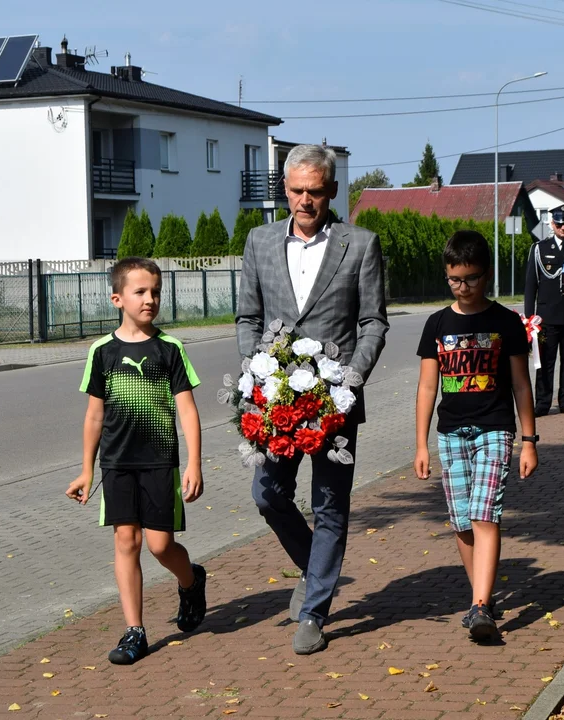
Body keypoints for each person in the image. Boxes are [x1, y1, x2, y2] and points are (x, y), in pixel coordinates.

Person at [236, 144, 388, 655]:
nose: (306, 201)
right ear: (285, 189)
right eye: (298, 190)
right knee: (268, 494)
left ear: (332, 192)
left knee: (329, 504)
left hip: (334, 401)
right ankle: (313, 567)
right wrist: (254, 374)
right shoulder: (258, 242)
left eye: (316, 192)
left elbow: (373, 323)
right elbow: (248, 318)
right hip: (275, 398)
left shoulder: (360, 244)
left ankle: (314, 611)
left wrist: (351, 378)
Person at [66, 257, 207, 665]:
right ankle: (134, 631)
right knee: (127, 541)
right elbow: (95, 415)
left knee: (161, 546)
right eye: (140, 292)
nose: (150, 299)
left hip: (161, 462)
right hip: (117, 463)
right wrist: (86, 469)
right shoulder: (102, 351)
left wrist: (194, 463)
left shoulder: (170, 348)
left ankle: (191, 579)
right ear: (117, 298)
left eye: (156, 292)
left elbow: (188, 411)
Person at [414, 230, 538, 642]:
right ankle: (478, 599)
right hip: (450, 434)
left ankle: (482, 606)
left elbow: (521, 383)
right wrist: (420, 444)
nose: (462, 288)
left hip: (495, 429)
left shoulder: (505, 322)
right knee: (462, 521)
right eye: (454, 280)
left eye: (470, 279)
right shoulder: (437, 324)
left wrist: (529, 440)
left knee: (486, 513)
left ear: (486, 276)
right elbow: (428, 387)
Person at [524, 205, 564, 416]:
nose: (563, 228)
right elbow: (530, 286)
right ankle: (543, 403)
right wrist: (529, 319)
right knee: (545, 362)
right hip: (546, 316)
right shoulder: (539, 249)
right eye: (559, 224)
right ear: (552, 225)